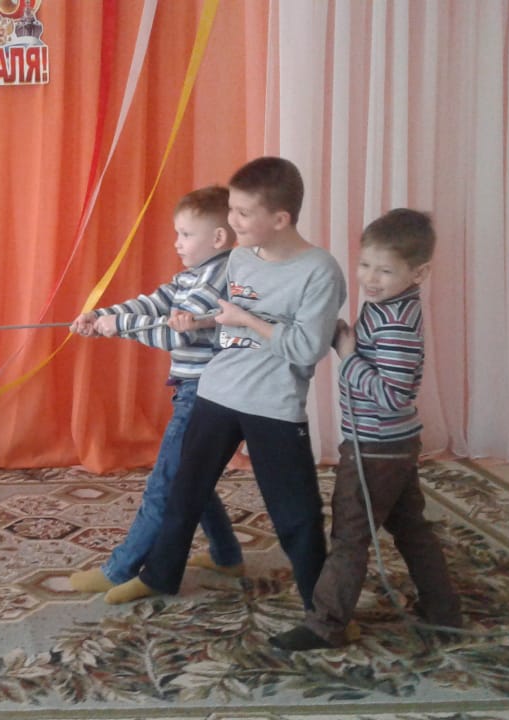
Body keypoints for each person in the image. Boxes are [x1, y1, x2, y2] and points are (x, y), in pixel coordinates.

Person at [107, 156, 347, 608]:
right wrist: (197, 321)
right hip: (216, 393)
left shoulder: (320, 271)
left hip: (273, 404)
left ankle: (325, 612)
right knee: (185, 492)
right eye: (231, 209)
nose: (232, 221)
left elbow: (305, 348)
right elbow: (224, 322)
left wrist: (246, 318)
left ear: (280, 219)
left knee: (296, 516)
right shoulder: (238, 258)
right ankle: (160, 576)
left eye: (242, 213)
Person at [269, 209, 460, 651]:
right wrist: (350, 339)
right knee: (411, 528)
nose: (370, 278)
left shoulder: (395, 323)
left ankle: (326, 625)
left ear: (419, 273)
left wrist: (347, 354)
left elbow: (393, 395)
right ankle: (443, 609)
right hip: (392, 445)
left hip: (375, 448)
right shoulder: (389, 304)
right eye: (365, 264)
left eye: (385, 270)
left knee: (350, 535)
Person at [67, 185, 245, 600]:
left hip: (206, 395)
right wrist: (102, 316)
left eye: (186, 234)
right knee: (192, 476)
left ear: (218, 237)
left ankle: (121, 568)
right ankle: (226, 556)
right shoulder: (191, 276)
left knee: (165, 482)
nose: (177, 243)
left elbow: (175, 333)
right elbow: (154, 304)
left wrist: (118, 328)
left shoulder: (219, 277)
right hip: (194, 391)